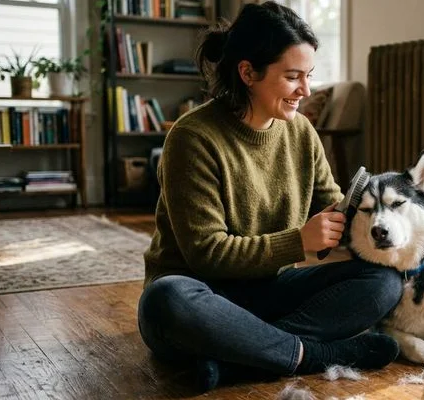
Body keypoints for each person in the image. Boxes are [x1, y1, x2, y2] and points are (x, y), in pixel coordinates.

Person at [137, 1, 403, 392]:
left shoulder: (301, 133)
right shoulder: (192, 138)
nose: (306, 91)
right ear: (248, 72)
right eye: (293, 76)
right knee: (166, 297)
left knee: (384, 281)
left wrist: (391, 227)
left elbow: (333, 210)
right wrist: (299, 242)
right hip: (202, 298)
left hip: (266, 296)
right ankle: (313, 354)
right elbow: (207, 254)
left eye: (309, 76)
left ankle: (244, 356)